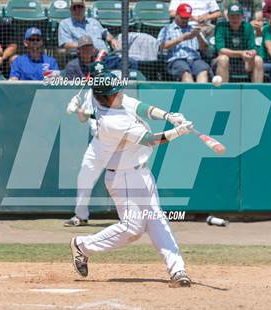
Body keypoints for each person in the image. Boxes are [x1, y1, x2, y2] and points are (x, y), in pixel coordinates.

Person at [69, 70, 193, 288]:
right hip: (123, 178)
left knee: (157, 220)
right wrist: (177, 132)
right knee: (132, 230)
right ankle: (82, 245)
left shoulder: (116, 100)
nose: (119, 94)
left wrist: (168, 116)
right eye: (114, 93)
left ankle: (177, 269)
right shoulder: (110, 120)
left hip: (141, 172)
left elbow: (140, 107)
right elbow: (150, 140)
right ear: (103, 97)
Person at [64, 61, 187, 227]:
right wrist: (81, 112)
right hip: (99, 143)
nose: (102, 79)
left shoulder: (116, 95)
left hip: (120, 143)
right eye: (97, 77)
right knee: (85, 176)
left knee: (128, 175)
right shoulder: (89, 95)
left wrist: (168, 116)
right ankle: (81, 215)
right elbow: (83, 118)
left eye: (103, 75)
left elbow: (143, 108)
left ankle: (135, 221)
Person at [57, 0, 136, 71]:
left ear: (84, 8)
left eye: (80, 7)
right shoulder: (65, 24)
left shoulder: (93, 22)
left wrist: (112, 40)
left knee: (130, 62)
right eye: (74, 7)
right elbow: (66, 44)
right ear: (70, 10)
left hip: (104, 57)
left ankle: (124, 85)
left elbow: (106, 34)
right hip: (85, 60)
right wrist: (88, 47)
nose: (78, 9)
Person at [157, 3, 212, 82]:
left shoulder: (193, 29)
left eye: (186, 18)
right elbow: (161, 46)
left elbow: (204, 48)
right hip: (176, 60)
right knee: (185, 72)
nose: (184, 20)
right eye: (182, 17)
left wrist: (198, 36)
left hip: (195, 59)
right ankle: (190, 94)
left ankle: (200, 94)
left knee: (203, 71)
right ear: (176, 14)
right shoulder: (167, 29)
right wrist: (181, 38)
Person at [214, 4, 263, 83]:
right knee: (223, 58)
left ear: (242, 17)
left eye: (238, 16)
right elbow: (221, 50)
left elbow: (253, 48)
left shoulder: (248, 27)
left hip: (244, 62)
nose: (235, 19)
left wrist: (251, 53)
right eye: (232, 16)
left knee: (258, 59)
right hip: (225, 62)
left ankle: (257, 91)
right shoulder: (221, 27)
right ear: (228, 17)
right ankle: (222, 93)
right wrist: (241, 53)